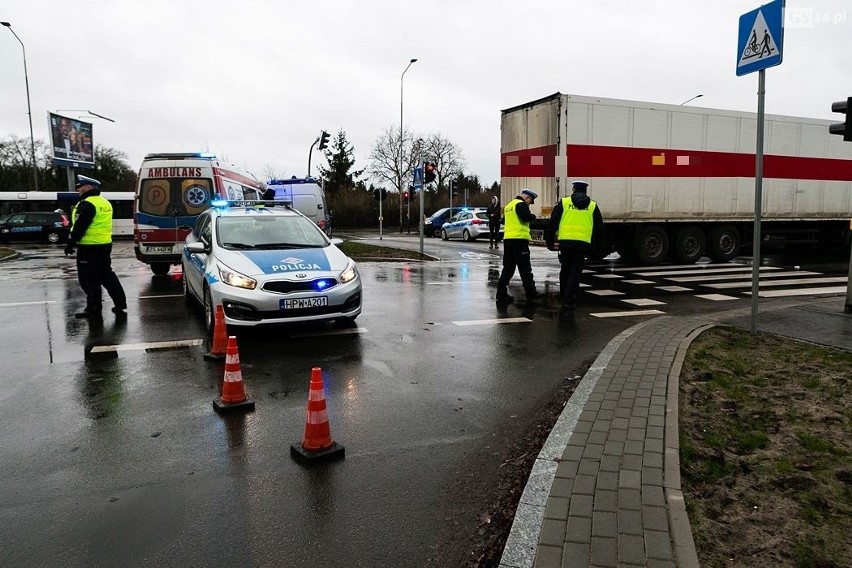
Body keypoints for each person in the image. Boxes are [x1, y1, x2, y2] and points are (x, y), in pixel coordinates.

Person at [64, 175, 127, 319]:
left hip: (89, 247)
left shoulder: (87, 204)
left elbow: (80, 226)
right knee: (107, 275)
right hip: (104, 245)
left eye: (80, 187)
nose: (78, 190)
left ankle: (93, 308)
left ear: (88, 187)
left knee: (88, 279)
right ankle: (120, 303)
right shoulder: (104, 203)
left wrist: (70, 244)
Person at [545, 180, 604, 312]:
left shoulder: (565, 203)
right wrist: (596, 247)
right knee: (575, 272)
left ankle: (564, 296)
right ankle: (569, 299)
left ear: (574, 189)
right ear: (585, 191)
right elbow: (599, 229)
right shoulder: (593, 206)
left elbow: (553, 222)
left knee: (565, 270)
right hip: (582, 244)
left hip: (565, 242)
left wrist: (549, 241)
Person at [496, 189, 544, 303]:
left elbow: (503, 221)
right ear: (527, 198)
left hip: (508, 241)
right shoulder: (521, 205)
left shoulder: (509, 206)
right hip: (519, 241)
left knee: (508, 268)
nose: (529, 204)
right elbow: (525, 217)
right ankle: (531, 293)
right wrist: (533, 217)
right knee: (525, 269)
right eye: (530, 201)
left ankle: (501, 293)